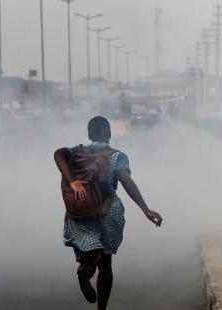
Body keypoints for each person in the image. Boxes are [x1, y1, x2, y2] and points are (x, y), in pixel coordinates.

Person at [53, 116, 163, 309]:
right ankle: (101, 308)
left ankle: (84, 272)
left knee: (88, 257)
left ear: (89, 134)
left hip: (80, 210)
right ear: (110, 134)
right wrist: (145, 209)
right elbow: (126, 180)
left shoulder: (75, 152)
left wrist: (72, 181)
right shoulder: (118, 156)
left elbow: (57, 153)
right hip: (108, 213)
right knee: (105, 265)